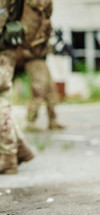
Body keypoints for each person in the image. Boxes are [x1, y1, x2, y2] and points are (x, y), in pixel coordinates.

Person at [16, 0, 64, 131]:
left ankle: (52, 120)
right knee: (40, 87)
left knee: (50, 89)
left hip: (39, 54)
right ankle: (30, 121)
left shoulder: (41, 14)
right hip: (31, 55)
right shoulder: (31, 8)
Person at [0, 0, 34, 174]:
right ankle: (20, 149)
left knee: (2, 103)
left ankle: (8, 159)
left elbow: (1, 14)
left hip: (3, 47)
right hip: (5, 45)